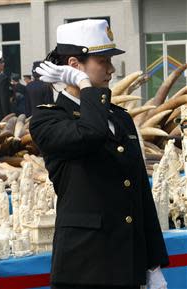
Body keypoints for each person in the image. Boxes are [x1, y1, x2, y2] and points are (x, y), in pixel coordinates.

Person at [30, 19, 168, 289]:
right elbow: (90, 133)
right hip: (85, 267)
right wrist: (85, 85)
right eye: (103, 61)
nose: (111, 69)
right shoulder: (48, 119)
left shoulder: (120, 118)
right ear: (73, 65)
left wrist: (153, 264)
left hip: (127, 264)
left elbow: (139, 192)